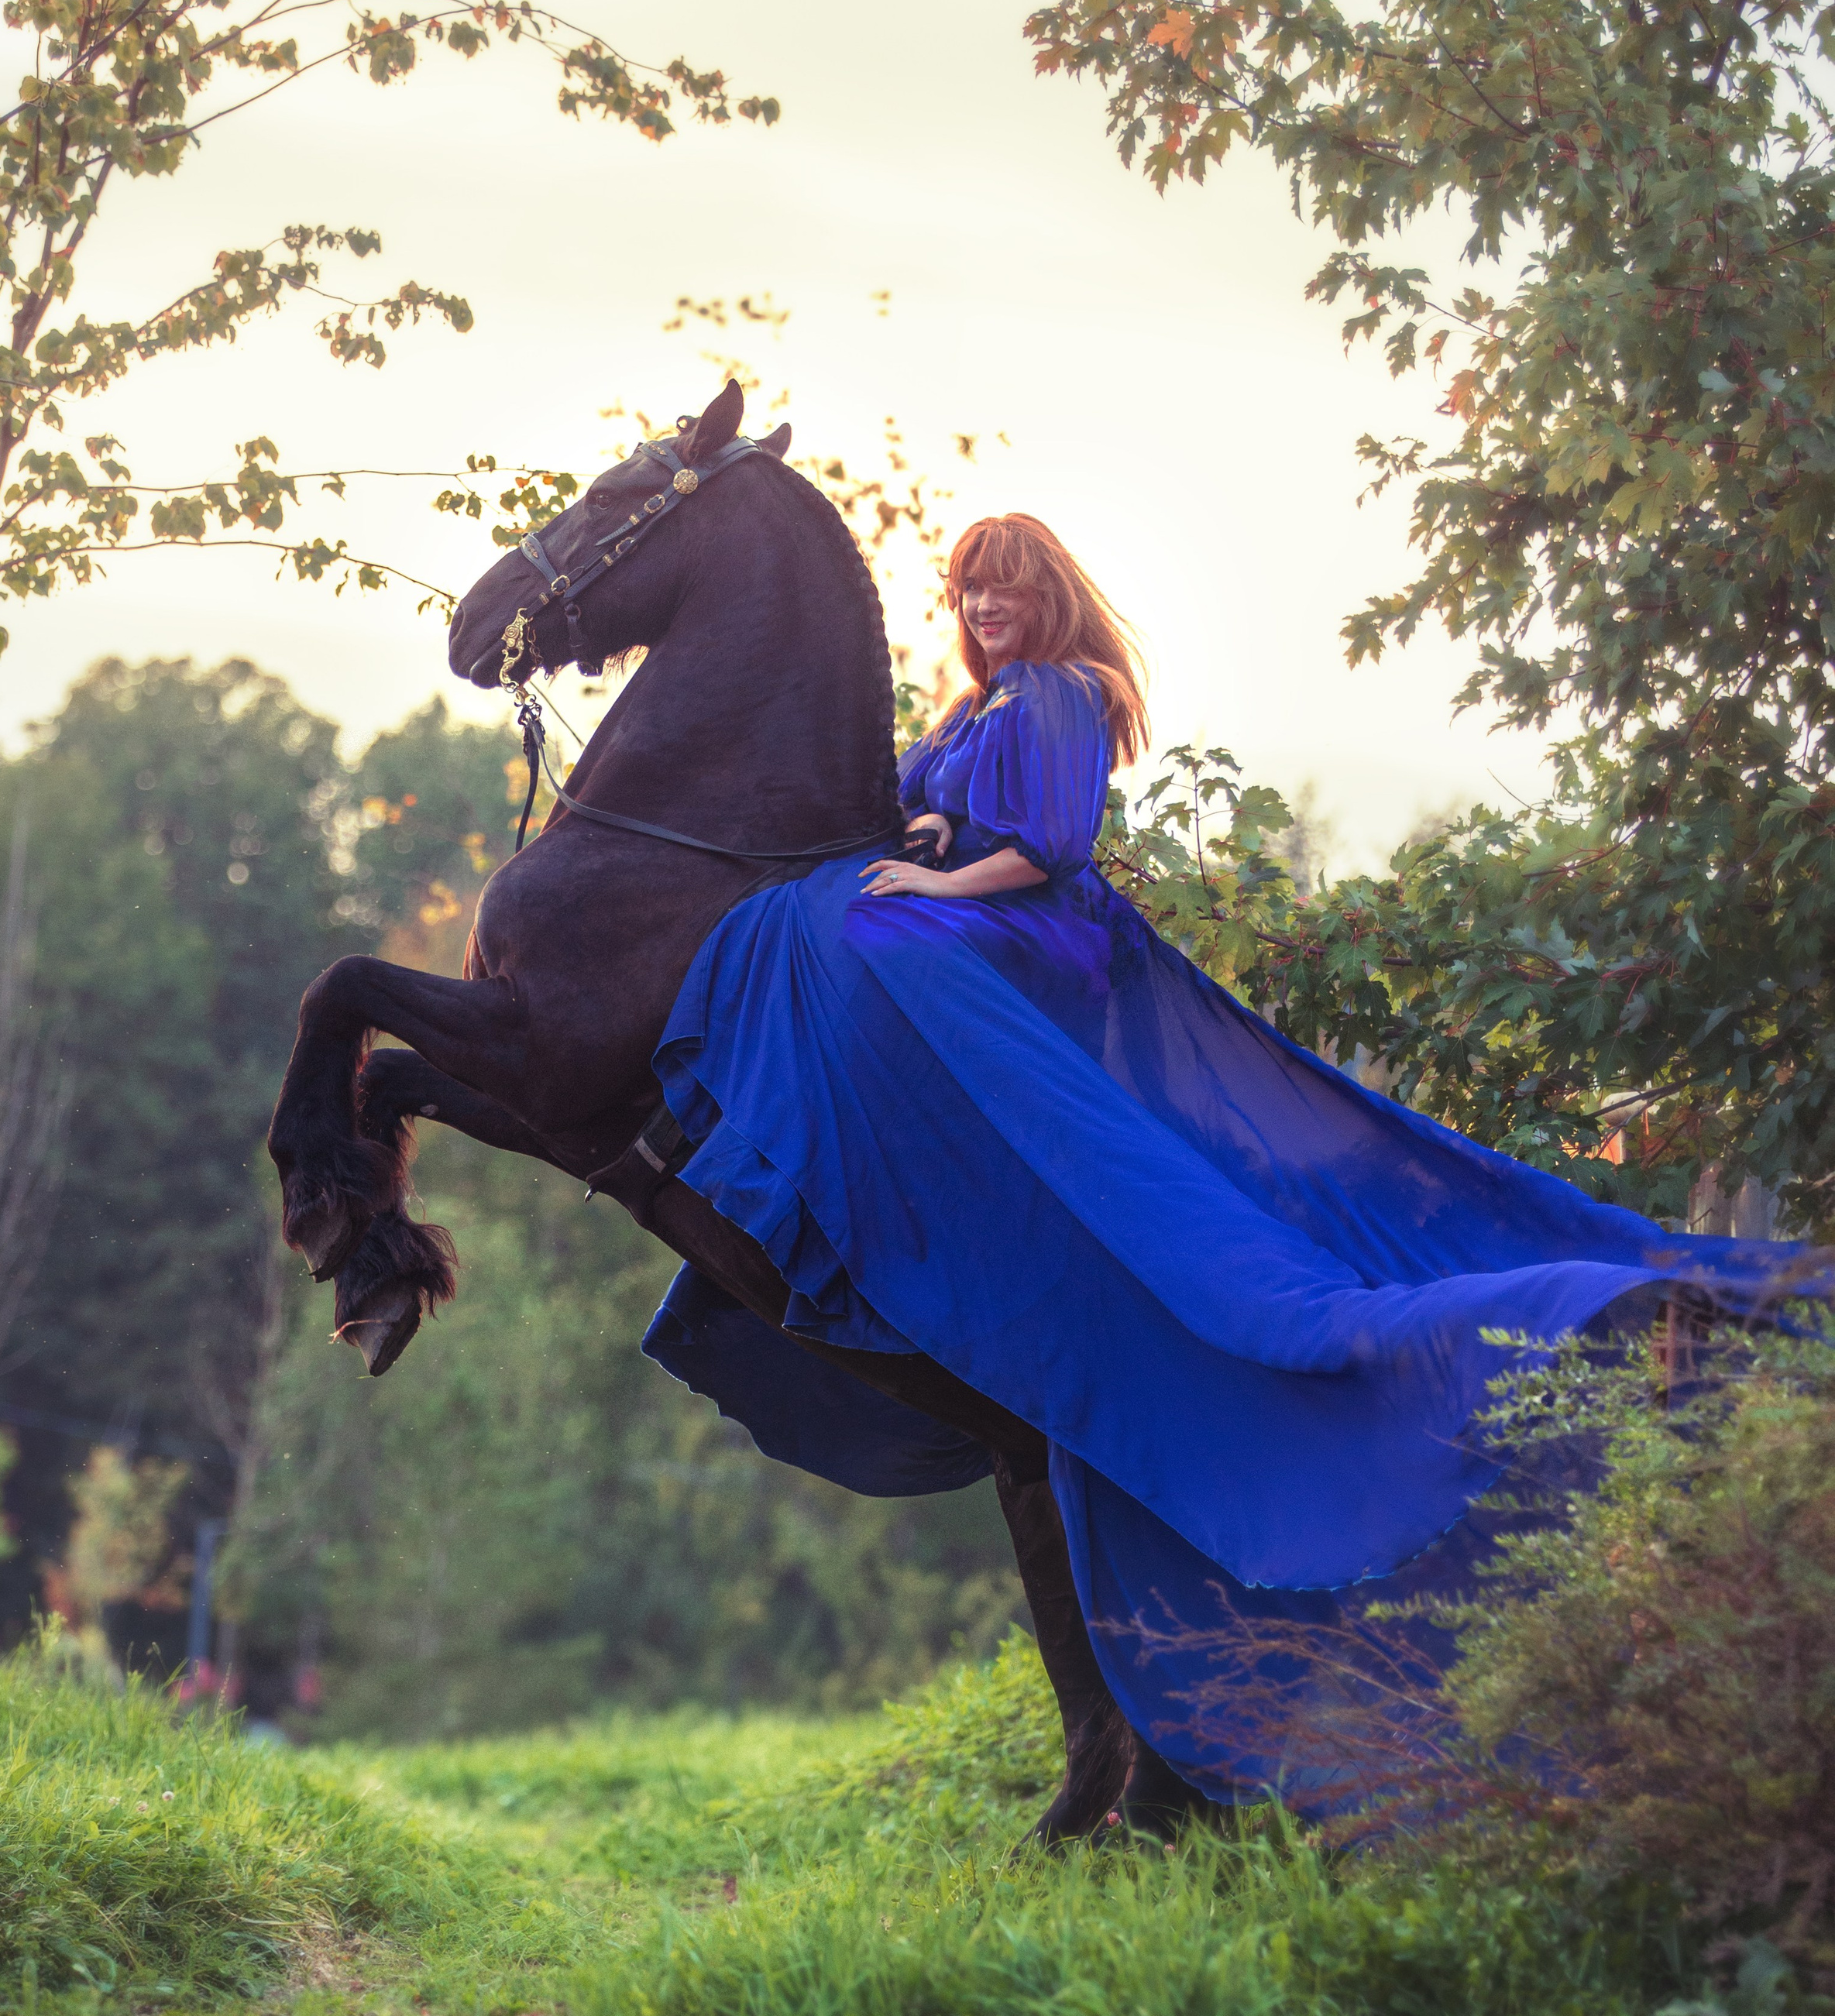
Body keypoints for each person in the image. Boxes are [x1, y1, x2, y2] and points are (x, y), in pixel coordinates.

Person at [643, 513, 1829, 1811]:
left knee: (866, 940)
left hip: (1034, 935)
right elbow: (947, 816)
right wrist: (919, 846)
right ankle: (825, 1156)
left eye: (1006, 590)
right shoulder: (983, 701)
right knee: (826, 921)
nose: (985, 610)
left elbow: (1045, 850)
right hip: (984, 921)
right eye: (970, 592)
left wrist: (933, 887)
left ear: (1049, 598)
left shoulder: (1060, 691)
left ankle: (819, 1134)